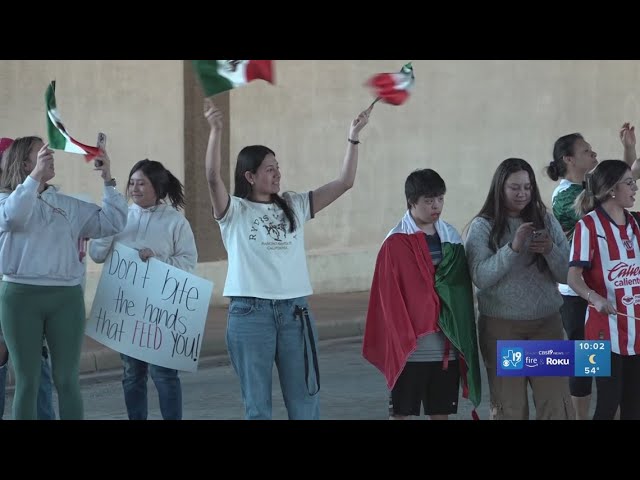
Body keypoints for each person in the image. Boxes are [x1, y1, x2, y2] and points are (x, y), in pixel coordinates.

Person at [204, 98, 371, 420]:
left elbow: (344, 182)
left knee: (305, 402)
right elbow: (212, 177)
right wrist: (215, 130)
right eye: (270, 169)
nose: (278, 173)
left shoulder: (295, 203)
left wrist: (353, 137)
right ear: (250, 176)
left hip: (294, 311)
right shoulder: (234, 211)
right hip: (250, 313)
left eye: (278, 167)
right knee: (258, 407)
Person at [0, 136, 127, 420]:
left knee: (67, 380)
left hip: (66, 299)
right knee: (27, 381)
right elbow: (13, 218)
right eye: (41, 153)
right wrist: (34, 178)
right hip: (20, 298)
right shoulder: (6, 200)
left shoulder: (67, 204)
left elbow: (113, 223)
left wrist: (108, 179)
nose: (50, 155)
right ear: (24, 164)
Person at [362, 168, 481, 420]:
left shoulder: (452, 240)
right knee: (402, 414)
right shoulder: (394, 243)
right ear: (411, 202)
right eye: (428, 200)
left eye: (439, 199)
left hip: (446, 348)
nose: (436, 206)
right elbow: (387, 301)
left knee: (441, 413)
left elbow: (461, 295)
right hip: (410, 349)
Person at [464, 158, 574, 420]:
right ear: (500, 188)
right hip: (503, 330)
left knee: (556, 404)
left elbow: (568, 275)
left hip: (546, 327)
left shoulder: (546, 219)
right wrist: (512, 248)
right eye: (515, 187)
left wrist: (550, 251)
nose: (522, 193)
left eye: (527, 186)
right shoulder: (483, 226)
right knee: (510, 407)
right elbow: (480, 276)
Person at [89, 159, 197, 420]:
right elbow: (96, 254)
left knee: (164, 374)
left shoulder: (175, 222)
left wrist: (157, 259)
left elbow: (188, 263)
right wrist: (106, 228)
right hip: (128, 309)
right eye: (132, 183)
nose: (135, 189)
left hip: (162, 311)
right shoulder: (120, 216)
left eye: (142, 183)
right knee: (131, 374)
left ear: (157, 187)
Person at [546, 125, 639, 419]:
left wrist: (628, 150)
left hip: (618, 303)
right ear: (568, 159)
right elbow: (615, 187)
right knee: (583, 364)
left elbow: (623, 180)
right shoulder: (567, 198)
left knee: (625, 387)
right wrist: (594, 297)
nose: (594, 153)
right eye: (586, 150)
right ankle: (579, 416)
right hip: (579, 299)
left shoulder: (611, 203)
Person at [568, 159, 640, 420]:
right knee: (608, 402)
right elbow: (573, 277)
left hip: (636, 328)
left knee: (634, 405)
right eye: (629, 183)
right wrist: (594, 297)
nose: (635, 189)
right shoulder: (587, 226)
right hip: (600, 330)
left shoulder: (636, 223)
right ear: (611, 189)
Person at [0, 137, 55, 420]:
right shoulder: (6, 201)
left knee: (36, 367)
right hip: (10, 294)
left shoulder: (38, 198)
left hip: (28, 298)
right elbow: (10, 218)